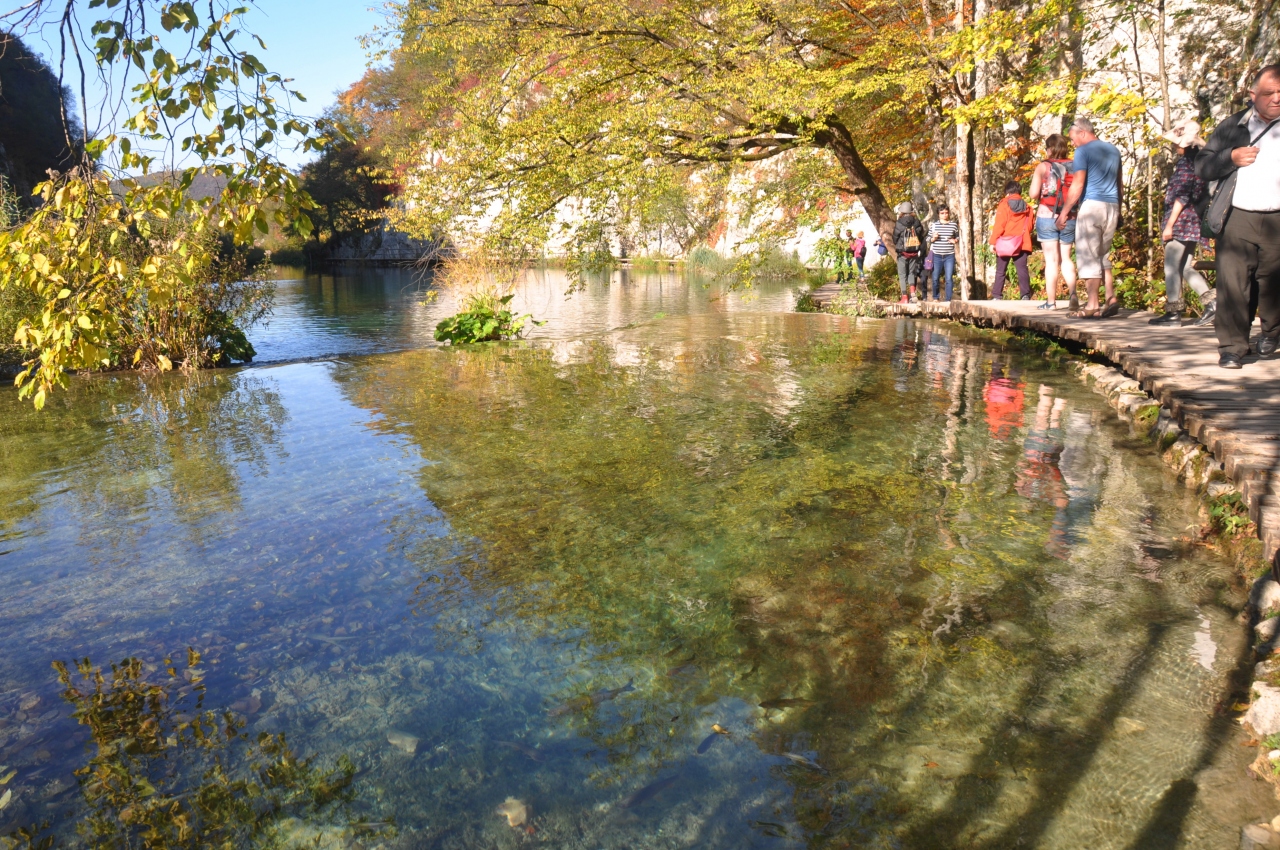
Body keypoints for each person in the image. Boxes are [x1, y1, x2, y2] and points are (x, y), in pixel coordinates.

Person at [1195, 64, 1280, 368]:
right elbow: (1202, 167)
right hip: (1237, 216)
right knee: (1233, 283)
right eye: (1270, 93)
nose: (1277, 98)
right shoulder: (1234, 126)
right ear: (1253, 94)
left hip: (1277, 220)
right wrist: (1229, 157)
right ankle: (1232, 347)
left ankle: (1271, 331)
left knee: (1272, 281)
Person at [1151, 119, 1215, 327]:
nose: (1175, 145)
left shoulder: (1188, 164)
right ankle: (1212, 303)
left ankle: (1173, 313)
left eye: (1178, 143)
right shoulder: (1201, 162)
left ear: (1186, 144)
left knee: (1171, 266)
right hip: (1193, 220)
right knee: (1185, 267)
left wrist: (1169, 225)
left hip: (1181, 221)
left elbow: (1182, 196)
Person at [1056, 117, 1123, 317]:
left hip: (1092, 206)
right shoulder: (1113, 150)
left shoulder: (1083, 151)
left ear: (1082, 132)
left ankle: (1092, 304)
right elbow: (1119, 183)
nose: (1072, 143)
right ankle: (1111, 297)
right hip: (1112, 206)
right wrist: (1119, 209)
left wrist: (1064, 212)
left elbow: (1077, 185)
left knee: (1088, 255)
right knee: (1102, 254)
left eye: (1073, 138)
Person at [1028, 134, 1078, 310]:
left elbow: (1033, 194)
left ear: (1050, 148)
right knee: (1066, 258)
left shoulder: (1043, 166)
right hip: (1070, 215)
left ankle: (1051, 302)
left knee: (1051, 261)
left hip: (1047, 215)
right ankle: (1073, 295)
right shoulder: (1075, 165)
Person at [989, 181, 1034, 299]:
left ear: (1007, 192)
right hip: (1022, 241)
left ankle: (997, 296)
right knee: (1022, 269)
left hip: (1005, 242)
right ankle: (1025, 295)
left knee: (1000, 271)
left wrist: (993, 242)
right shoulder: (1028, 207)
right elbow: (1030, 227)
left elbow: (1000, 225)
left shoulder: (1004, 204)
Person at [893, 202, 926, 303]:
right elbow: (921, 235)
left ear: (902, 212)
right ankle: (913, 294)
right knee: (912, 273)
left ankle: (904, 297)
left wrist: (899, 244)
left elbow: (895, 238)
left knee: (902, 274)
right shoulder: (917, 222)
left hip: (902, 253)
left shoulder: (899, 223)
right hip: (914, 252)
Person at [928, 206, 959, 300]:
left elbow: (958, 236)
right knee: (935, 278)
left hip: (949, 255)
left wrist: (955, 240)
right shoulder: (934, 225)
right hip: (937, 255)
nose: (945, 215)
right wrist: (933, 238)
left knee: (949, 278)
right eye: (942, 213)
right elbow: (927, 239)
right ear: (938, 214)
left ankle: (948, 299)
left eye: (946, 212)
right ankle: (935, 297)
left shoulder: (953, 225)